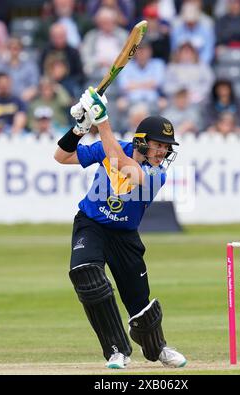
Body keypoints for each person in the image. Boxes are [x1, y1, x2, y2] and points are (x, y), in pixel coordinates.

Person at [54, 87, 187, 369]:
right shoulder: (112, 146)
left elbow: (122, 166)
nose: (163, 152)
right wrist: (80, 128)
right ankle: (117, 350)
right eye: (158, 145)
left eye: (166, 147)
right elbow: (62, 157)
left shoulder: (156, 174)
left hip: (125, 236)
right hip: (91, 224)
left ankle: (158, 348)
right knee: (86, 275)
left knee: (140, 306)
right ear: (141, 142)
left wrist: (102, 120)